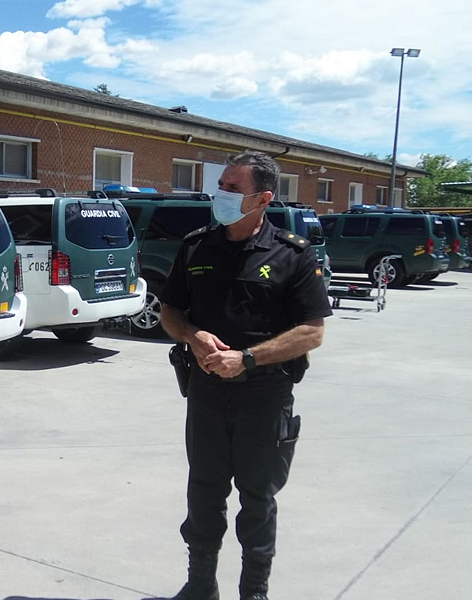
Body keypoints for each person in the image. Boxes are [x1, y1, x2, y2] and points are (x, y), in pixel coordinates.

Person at [160, 151, 332, 600]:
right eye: (222, 185)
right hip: (205, 392)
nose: (222, 195)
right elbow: (170, 312)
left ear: (263, 198)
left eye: (234, 189)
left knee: (258, 499)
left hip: (265, 394)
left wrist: (248, 358)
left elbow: (312, 333)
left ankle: (253, 591)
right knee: (204, 491)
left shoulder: (292, 254)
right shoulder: (197, 245)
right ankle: (200, 586)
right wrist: (193, 337)